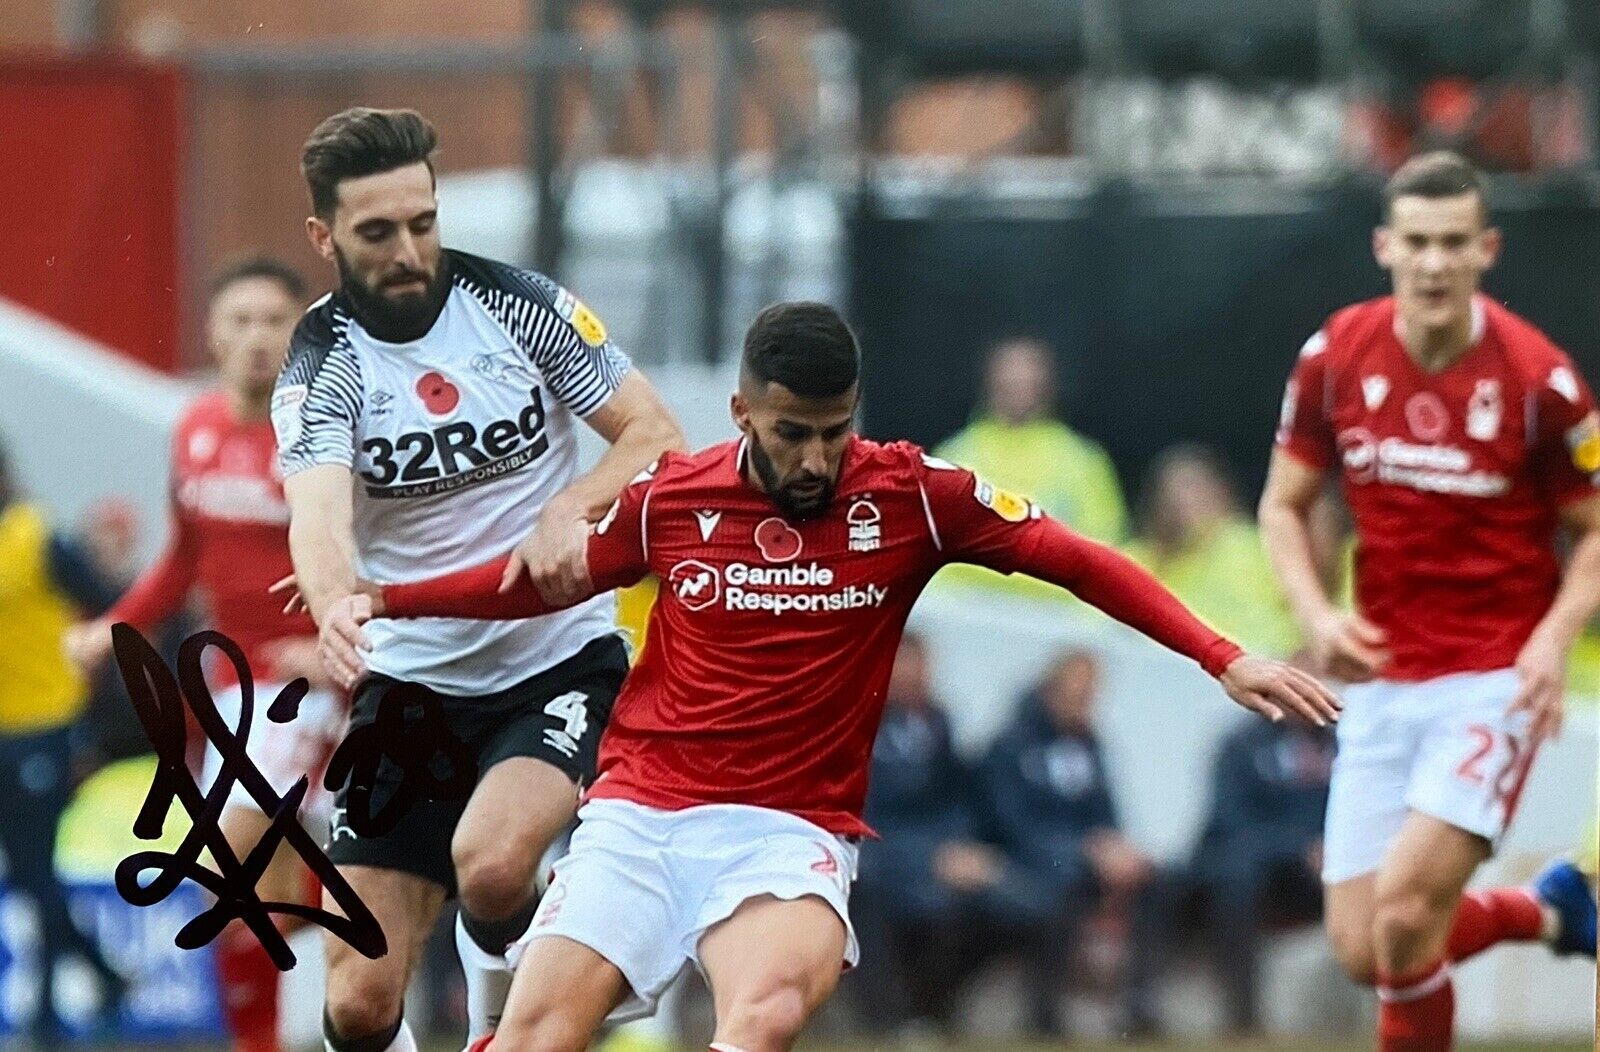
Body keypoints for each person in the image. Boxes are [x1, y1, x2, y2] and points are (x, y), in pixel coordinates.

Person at [303, 300, 1341, 1052]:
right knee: (533, 1037)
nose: (813, 458)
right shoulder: (673, 499)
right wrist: (386, 598)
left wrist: (1223, 653)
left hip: (787, 829)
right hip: (642, 816)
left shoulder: (915, 498)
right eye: (790, 431)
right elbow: (529, 583)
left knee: (756, 1022)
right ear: (742, 409)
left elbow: (1077, 559)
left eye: (834, 431)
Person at [272, 107, 684, 1052]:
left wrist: (566, 507)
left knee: (492, 865)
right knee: (359, 1006)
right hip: (411, 686)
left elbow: (656, 435)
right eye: (378, 232)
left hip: (556, 662)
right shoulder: (323, 362)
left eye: (423, 221)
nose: (410, 249)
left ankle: (513, 1019)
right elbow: (319, 514)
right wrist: (335, 600)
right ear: (324, 236)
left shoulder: (516, 305)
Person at [1260, 150, 1599, 1052]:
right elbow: (1283, 506)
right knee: (1364, 948)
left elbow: (1597, 528)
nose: (1435, 262)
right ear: (1384, 246)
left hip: (1492, 678)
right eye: (1417, 242)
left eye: (1455, 242)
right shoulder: (1335, 355)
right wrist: (1317, 615)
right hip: (1378, 679)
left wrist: (1555, 636)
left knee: (1408, 916)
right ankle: (1549, 912)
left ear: (1488, 248)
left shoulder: (1541, 380)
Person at [64, 258, 340, 1052]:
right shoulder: (195, 428)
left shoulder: (320, 439)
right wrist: (113, 627)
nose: (258, 338)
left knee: (233, 866)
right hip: (226, 688)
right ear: (213, 333)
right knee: (276, 893)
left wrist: (337, 638)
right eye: (240, 320)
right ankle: (276, 1035)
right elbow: (183, 557)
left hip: (301, 689)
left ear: (301, 336)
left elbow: (374, 553)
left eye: (275, 321)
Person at [0, 438, 128, 1046]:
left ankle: (47, 1013)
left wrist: (89, 710)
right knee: (28, 874)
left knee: (35, 869)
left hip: (43, 729)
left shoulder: (38, 538)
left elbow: (106, 605)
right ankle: (100, 975)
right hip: (4, 730)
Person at [977, 647, 1161, 1037]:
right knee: (1063, 889)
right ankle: (1046, 1014)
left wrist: (1117, 849)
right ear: (1051, 690)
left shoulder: (1089, 746)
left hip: (1084, 859)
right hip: (1025, 862)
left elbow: (1107, 814)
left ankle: (1140, 1003)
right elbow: (1011, 826)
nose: (1086, 703)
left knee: (1157, 880)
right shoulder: (1011, 746)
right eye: (1078, 692)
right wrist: (1084, 850)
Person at [850, 633, 997, 1035]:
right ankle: (886, 1018)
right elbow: (865, 809)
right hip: (878, 852)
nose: (915, 676)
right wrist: (930, 856)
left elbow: (955, 797)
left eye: (920, 665)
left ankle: (934, 1011)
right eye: (904, 664)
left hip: (933, 853)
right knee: (873, 891)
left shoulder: (939, 723)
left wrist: (959, 847)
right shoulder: (859, 723)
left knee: (996, 900)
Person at [934, 337, 1126, 601]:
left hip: (1054, 621)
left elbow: (1103, 552)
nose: (1018, 383)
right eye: (1009, 374)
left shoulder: (1084, 461)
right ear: (990, 380)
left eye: (1028, 375)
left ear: (1047, 384)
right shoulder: (954, 456)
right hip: (964, 613)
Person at [1183, 702, 1335, 1035]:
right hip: (1257, 870)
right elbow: (1231, 822)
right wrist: (1300, 848)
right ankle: (1242, 1014)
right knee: (1237, 882)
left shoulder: (1342, 745)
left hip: (1319, 873)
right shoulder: (1242, 742)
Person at [1125, 444, 1299, 657]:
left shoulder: (1249, 544)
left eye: (1196, 489)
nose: (1185, 503)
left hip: (1246, 661)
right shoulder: (1137, 558)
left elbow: (1283, 612)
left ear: (1220, 491)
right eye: (1177, 493)